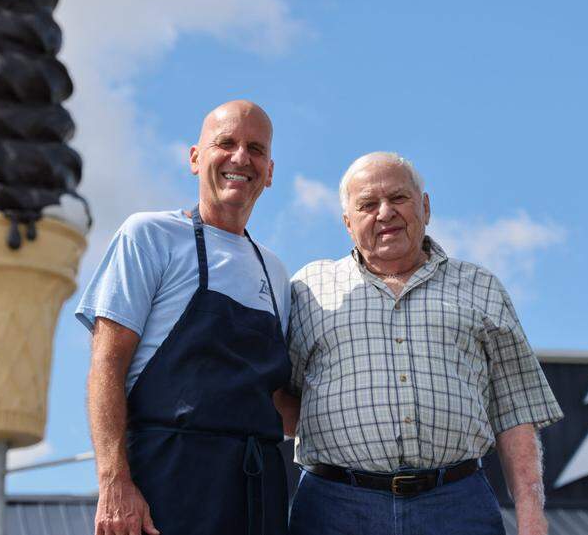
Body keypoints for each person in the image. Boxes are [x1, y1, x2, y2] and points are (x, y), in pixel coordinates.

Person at [286, 151, 563, 535]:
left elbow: (514, 410)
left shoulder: (480, 287)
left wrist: (532, 515)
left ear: (426, 206)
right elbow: (282, 398)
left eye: (398, 198)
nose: (385, 213)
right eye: (368, 204)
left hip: (456, 506)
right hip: (335, 508)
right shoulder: (308, 289)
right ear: (348, 223)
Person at [76, 100, 293, 535]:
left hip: (257, 492)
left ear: (268, 171)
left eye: (255, 148)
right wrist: (114, 481)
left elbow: (274, 399)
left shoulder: (276, 272)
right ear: (195, 158)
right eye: (225, 143)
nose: (239, 158)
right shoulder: (150, 235)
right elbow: (106, 364)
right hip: (167, 483)